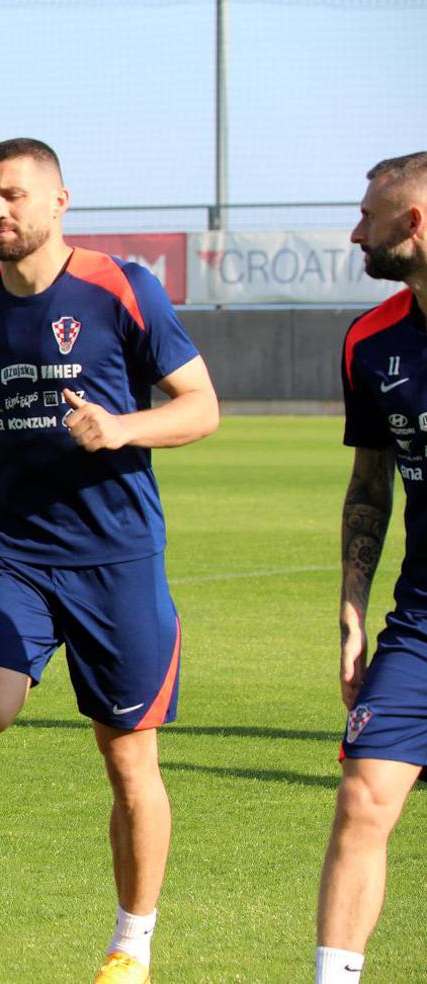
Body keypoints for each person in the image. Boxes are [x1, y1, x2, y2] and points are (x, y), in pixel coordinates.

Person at [0, 139, 218, 984]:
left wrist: (121, 429)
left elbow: (202, 406)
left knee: (129, 760)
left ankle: (129, 946)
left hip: (119, 560)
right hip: (18, 555)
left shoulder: (122, 288)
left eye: (15, 195)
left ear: (60, 201)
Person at [315, 151, 427, 984]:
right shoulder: (370, 340)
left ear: (414, 224)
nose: (357, 230)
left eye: (368, 217)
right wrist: (353, 609)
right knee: (361, 799)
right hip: (420, 626)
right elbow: (368, 490)